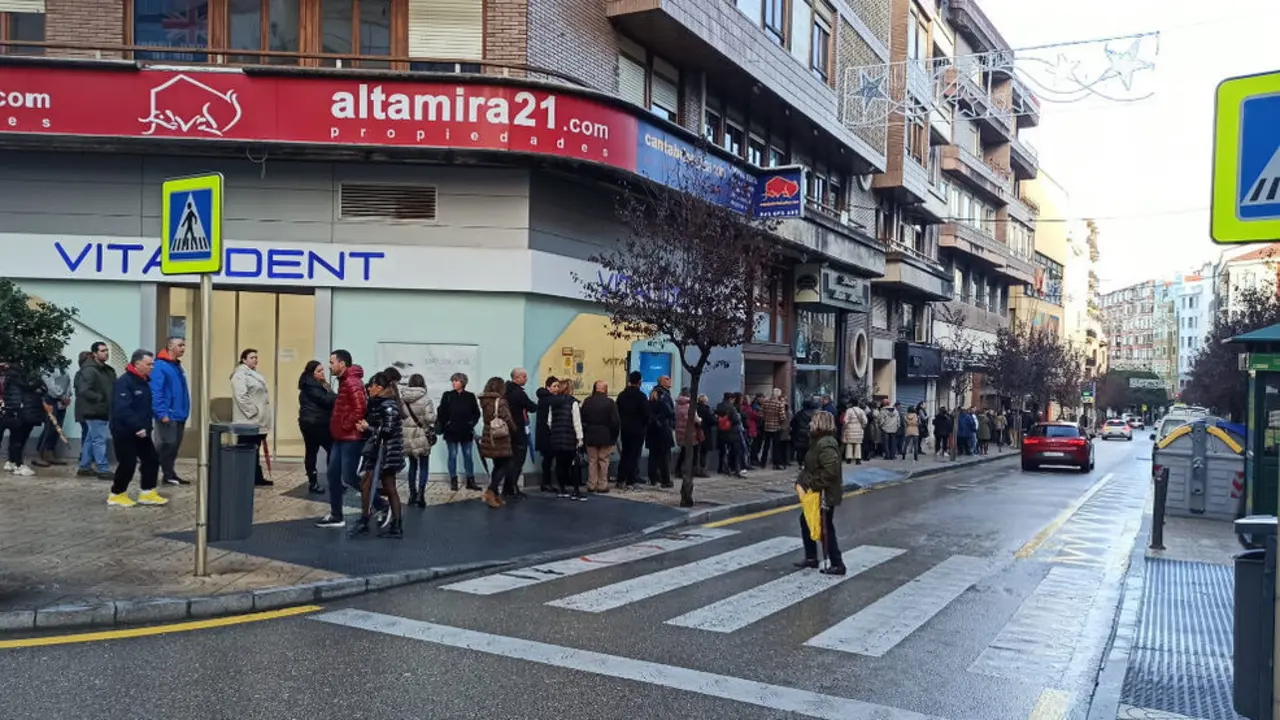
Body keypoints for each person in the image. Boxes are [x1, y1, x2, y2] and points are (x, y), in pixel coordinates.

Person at [107, 350, 167, 507]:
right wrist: (137, 426)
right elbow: (122, 409)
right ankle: (116, 494)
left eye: (152, 364)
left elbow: (144, 408)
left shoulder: (143, 381)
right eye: (149, 364)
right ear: (137, 364)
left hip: (142, 431)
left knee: (152, 459)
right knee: (128, 463)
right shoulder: (124, 382)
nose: (152, 367)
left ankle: (147, 492)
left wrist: (146, 427)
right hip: (125, 431)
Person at [348, 372, 404, 538]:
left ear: (379, 388)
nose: (368, 389)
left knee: (370, 486)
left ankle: (367, 520)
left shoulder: (388, 406)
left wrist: (368, 428)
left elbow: (387, 431)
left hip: (385, 454)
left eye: (370, 386)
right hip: (380, 452)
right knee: (383, 487)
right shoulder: (380, 404)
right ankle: (395, 524)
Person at [317, 350, 365, 528]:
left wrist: (346, 424)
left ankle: (381, 505)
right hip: (340, 437)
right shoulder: (344, 381)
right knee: (333, 474)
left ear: (342, 363)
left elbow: (360, 408)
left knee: (350, 476)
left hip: (350, 438)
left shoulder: (352, 382)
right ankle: (337, 515)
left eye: (332, 362)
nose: (329, 366)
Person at [794, 410, 845, 575]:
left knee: (825, 526)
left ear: (820, 423)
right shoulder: (818, 441)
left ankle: (837, 563)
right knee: (807, 521)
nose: (810, 424)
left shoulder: (826, 443)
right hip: (819, 491)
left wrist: (813, 484)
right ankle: (811, 558)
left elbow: (831, 470)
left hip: (824, 493)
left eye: (813, 421)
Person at [149, 337, 191, 485]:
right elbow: (156, 391)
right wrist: (161, 413)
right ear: (170, 346)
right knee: (166, 445)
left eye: (184, 345)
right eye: (180, 345)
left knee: (173, 446)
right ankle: (151, 470)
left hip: (179, 414)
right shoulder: (160, 366)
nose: (183, 348)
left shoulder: (176, 366)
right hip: (169, 414)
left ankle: (169, 474)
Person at [231, 348, 273, 487]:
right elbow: (241, 396)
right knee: (247, 449)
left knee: (254, 449)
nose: (255, 359)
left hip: (258, 420)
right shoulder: (239, 375)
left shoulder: (254, 375)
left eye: (256, 357)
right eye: (251, 357)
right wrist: (253, 411)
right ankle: (244, 477)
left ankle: (255, 477)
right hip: (248, 420)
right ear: (243, 360)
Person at [74, 342, 116, 479]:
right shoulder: (90, 370)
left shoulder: (106, 370)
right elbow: (83, 390)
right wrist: (100, 398)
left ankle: (84, 467)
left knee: (90, 439)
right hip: (94, 410)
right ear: (95, 354)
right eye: (103, 351)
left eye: (107, 350)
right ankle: (102, 469)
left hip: (103, 409)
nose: (106, 353)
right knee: (99, 439)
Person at [437, 372, 481, 492]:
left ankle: (470, 481)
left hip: (466, 431)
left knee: (468, 455)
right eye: (453, 381)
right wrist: (446, 424)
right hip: (451, 432)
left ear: (463, 383)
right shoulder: (447, 395)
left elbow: (476, 412)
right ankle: (453, 480)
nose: (454, 383)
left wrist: (471, 423)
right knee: (452, 455)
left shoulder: (470, 396)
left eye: (456, 381)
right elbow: (441, 411)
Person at [1, 364, 47, 477]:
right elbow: (31, 387)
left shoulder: (14, 377)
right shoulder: (16, 377)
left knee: (16, 439)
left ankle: (13, 462)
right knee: (18, 439)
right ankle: (18, 465)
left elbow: (42, 390)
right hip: (19, 412)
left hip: (20, 412)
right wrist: (38, 384)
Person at [478, 376, 516, 509]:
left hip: (489, 435)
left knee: (497, 464)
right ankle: (490, 491)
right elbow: (507, 417)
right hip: (500, 437)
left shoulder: (484, 401)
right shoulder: (500, 401)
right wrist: (514, 428)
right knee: (506, 464)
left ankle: (496, 495)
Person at [298, 360, 336, 494]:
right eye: (319, 371)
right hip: (315, 424)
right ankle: (325, 482)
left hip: (312, 423)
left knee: (312, 451)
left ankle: (314, 482)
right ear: (311, 373)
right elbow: (327, 401)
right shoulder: (311, 386)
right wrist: (334, 395)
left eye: (323, 370)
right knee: (330, 449)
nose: (322, 373)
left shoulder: (317, 384)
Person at [400, 373, 436, 508]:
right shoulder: (426, 399)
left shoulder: (403, 399)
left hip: (408, 437)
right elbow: (429, 419)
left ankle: (412, 495)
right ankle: (421, 495)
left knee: (412, 466)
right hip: (422, 436)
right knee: (424, 466)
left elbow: (400, 418)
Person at [545, 378, 585, 500]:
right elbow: (576, 422)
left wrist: (556, 431)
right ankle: (576, 490)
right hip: (569, 437)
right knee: (574, 464)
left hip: (556, 437)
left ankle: (561, 489)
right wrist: (580, 438)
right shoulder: (573, 402)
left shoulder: (553, 403)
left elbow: (549, 422)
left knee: (560, 464)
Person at [504, 368, 539, 499]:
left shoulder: (506, 391)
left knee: (509, 460)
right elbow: (531, 407)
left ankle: (508, 488)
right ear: (517, 378)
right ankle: (513, 487)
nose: (526, 379)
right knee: (518, 459)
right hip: (518, 429)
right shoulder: (518, 393)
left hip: (508, 430)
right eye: (524, 376)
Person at [580, 380, 619, 493]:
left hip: (591, 434)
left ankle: (592, 484)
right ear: (605, 389)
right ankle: (602, 485)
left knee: (592, 461)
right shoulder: (610, 402)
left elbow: (582, 418)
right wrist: (614, 436)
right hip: (606, 435)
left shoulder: (587, 401)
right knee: (604, 461)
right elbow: (615, 422)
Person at [33, 362, 71, 467]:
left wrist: (67, 395)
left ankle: (50, 453)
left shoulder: (63, 366)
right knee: (49, 428)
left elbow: (68, 382)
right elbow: (50, 386)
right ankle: (39, 455)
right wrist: (61, 395)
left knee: (57, 428)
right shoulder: (45, 368)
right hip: (50, 400)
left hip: (62, 401)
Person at [615, 371, 649, 490]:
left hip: (625, 429)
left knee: (625, 454)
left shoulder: (621, 395)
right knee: (634, 455)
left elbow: (617, 411)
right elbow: (646, 414)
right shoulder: (641, 396)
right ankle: (630, 481)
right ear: (639, 382)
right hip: (638, 429)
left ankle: (620, 479)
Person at [535, 375, 559, 493]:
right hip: (547, 434)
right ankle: (546, 483)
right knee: (548, 460)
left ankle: (547, 482)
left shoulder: (543, 399)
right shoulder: (549, 400)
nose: (556, 389)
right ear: (548, 387)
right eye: (554, 386)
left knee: (548, 460)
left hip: (544, 434)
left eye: (558, 386)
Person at [646, 387, 673, 488]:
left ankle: (652, 478)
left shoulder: (648, 404)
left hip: (651, 433)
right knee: (664, 458)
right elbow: (671, 414)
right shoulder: (662, 403)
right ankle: (665, 480)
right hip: (663, 432)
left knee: (652, 457)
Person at [715, 392, 744, 477]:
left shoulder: (719, 405)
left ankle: (721, 468)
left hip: (721, 432)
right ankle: (736, 470)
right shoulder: (732, 407)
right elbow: (736, 419)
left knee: (722, 451)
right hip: (732, 433)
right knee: (736, 451)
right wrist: (738, 417)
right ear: (731, 398)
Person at [760, 388, 786, 470]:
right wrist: (781, 423)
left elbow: (761, 414)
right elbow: (782, 417)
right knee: (776, 446)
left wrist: (766, 420)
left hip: (767, 427)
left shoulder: (765, 402)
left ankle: (763, 462)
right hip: (776, 427)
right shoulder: (779, 404)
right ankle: (776, 464)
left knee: (766, 445)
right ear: (778, 395)